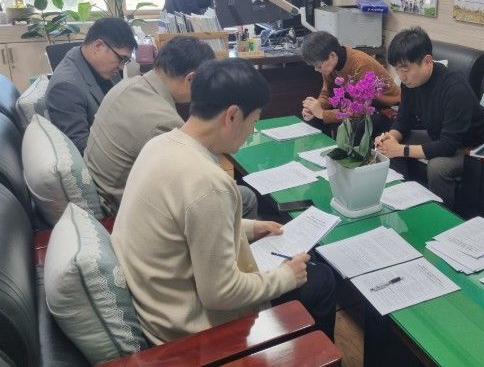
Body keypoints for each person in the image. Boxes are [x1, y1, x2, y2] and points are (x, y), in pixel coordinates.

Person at [111, 58, 336, 344]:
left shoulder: (160, 144)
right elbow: (221, 293)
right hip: (189, 328)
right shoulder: (208, 183)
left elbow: (184, 223)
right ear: (232, 116)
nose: (251, 132)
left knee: (301, 267)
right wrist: (286, 278)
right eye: (253, 122)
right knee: (320, 279)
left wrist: (249, 227)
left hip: (158, 301)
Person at [86, 36, 256, 217]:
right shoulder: (164, 123)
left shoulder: (126, 86)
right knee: (245, 197)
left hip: (100, 190)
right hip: (120, 210)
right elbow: (199, 186)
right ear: (191, 79)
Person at [375, 27, 484, 205]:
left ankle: (442, 215)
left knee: (437, 167)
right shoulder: (410, 83)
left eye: (405, 69)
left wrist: (400, 149)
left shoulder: (455, 89)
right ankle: (403, 197)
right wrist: (390, 138)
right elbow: (403, 120)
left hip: (473, 147)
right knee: (387, 146)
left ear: (427, 61)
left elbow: (448, 146)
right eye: (397, 69)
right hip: (439, 135)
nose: (401, 76)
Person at [46, 18, 137, 153]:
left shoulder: (97, 63)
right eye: (121, 59)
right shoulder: (65, 88)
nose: (121, 67)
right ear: (98, 46)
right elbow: (82, 148)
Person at [300, 31, 400, 130]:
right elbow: (327, 94)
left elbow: (360, 109)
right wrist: (314, 108)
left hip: (384, 108)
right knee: (314, 119)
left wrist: (322, 113)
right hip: (356, 106)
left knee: (354, 125)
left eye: (318, 66)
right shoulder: (330, 66)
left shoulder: (361, 64)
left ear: (332, 56)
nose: (316, 69)